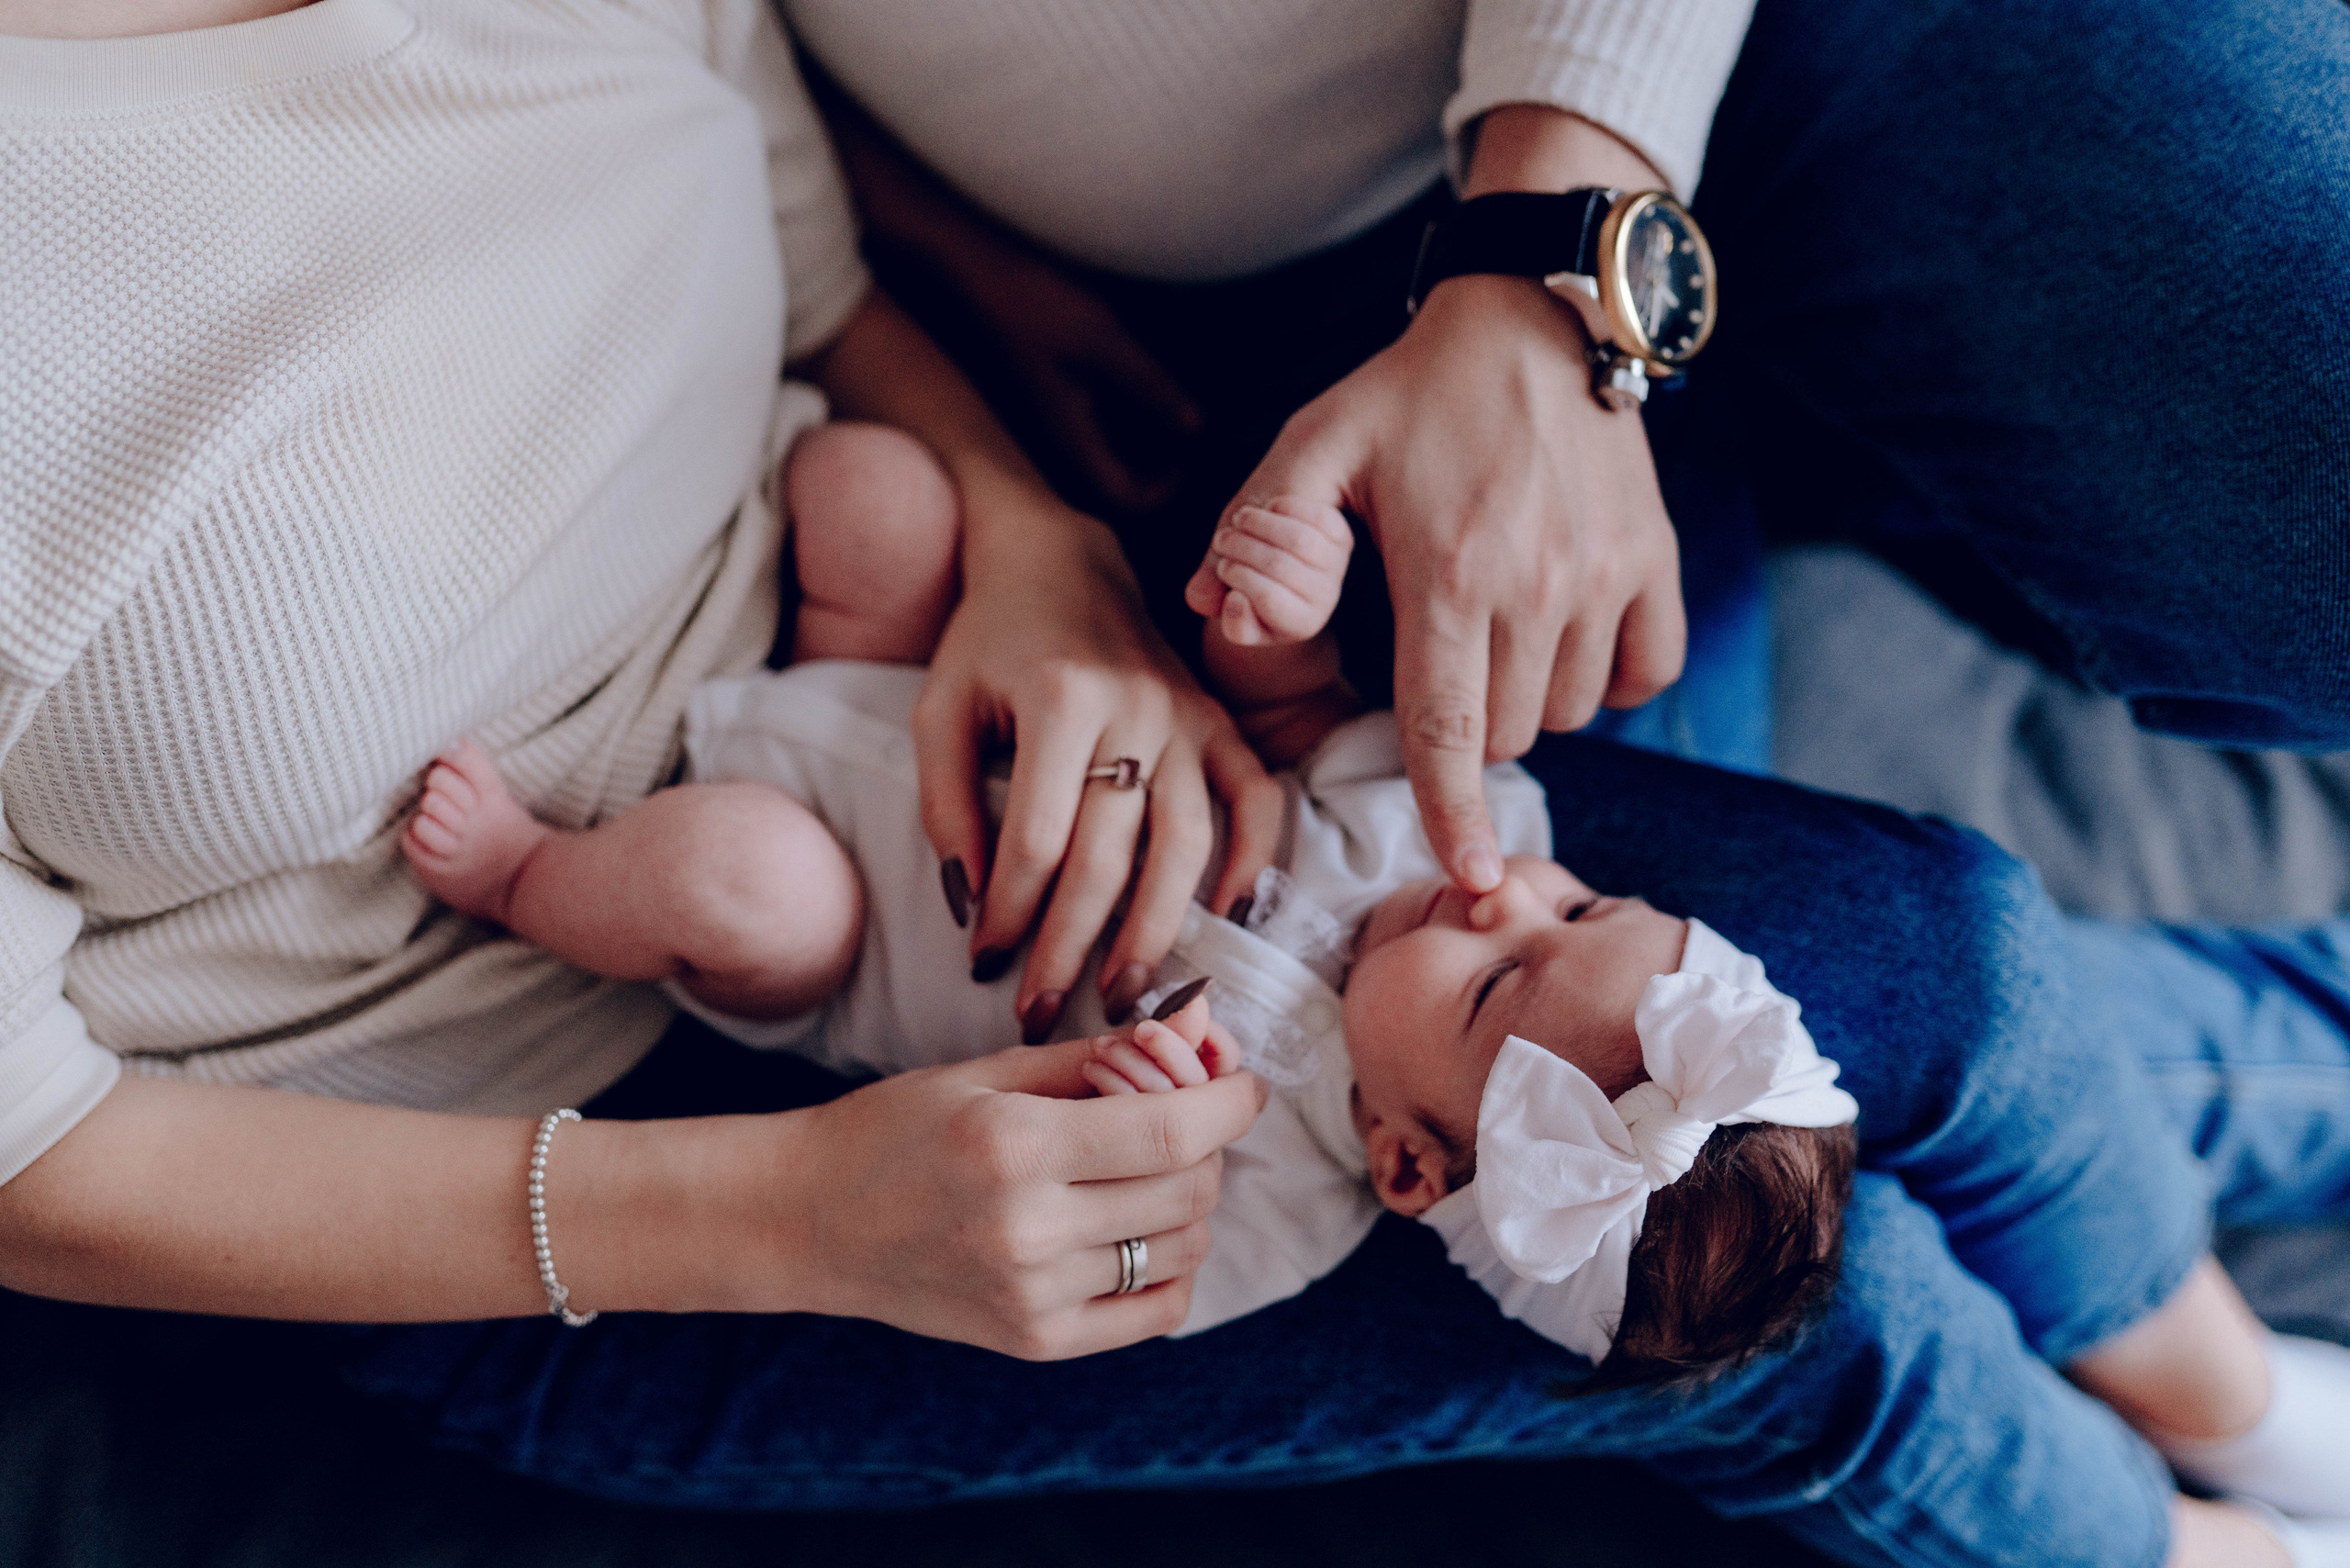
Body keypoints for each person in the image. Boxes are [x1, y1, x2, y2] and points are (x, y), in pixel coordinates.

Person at [2, 3, 2345, 1565]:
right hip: (577, 1111)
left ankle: (2223, 1331)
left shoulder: (1465, 912)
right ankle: (2170, 1511)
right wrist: (798, 1211)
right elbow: (30, 1155)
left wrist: (1023, 545)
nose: (1509, 906)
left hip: (886, 618)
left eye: (1521, 947)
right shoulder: (1372, 1144)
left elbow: (768, 187)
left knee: (1889, 1021)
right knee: (1799, 1273)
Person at [395, 428, 2350, 1554]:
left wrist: (1127, 1094)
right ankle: (2214, 1426)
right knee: (1924, 1039)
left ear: (1410, 1168)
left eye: (1501, 970)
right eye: (1580, 895)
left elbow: (1107, 1244)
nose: (1503, 884)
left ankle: (2187, 1457)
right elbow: (1316, 725)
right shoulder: (1442, 870)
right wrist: (1259, 636)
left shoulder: (1289, 1181)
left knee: (1809, 1241)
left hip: (872, 929)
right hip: (902, 710)